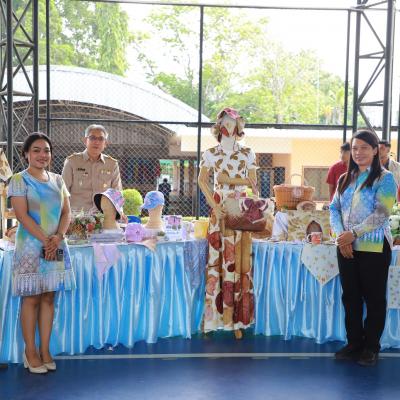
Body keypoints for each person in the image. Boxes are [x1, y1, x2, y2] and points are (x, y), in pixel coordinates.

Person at [8, 132, 76, 374]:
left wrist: (58, 238)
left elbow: (66, 213)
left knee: (49, 297)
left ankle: (45, 350)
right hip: (30, 246)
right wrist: (46, 240)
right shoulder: (18, 180)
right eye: (36, 150)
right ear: (26, 153)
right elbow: (22, 215)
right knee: (32, 298)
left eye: (46, 150)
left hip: (56, 245)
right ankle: (30, 352)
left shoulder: (58, 180)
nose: (42, 155)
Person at [330, 129, 396, 367]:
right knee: (350, 297)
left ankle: (371, 347)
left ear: (376, 150)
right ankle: (354, 343)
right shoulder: (344, 178)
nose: (358, 153)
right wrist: (342, 237)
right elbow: (333, 209)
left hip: (374, 247)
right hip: (346, 245)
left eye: (364, 148)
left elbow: (382, 213)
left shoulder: (385, 178)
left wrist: (353, 234)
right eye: (355, 148)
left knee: (374, 298)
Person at [198, 107, 257, 340]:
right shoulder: (211, 153)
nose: (228, 126)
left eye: (232, 123)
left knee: (238, 263)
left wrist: (232, 182)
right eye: (224, 122)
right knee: (216, 261)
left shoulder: (248, 153)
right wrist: (214, 206)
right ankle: (212, 319)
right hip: (220, 209)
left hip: (240, 208)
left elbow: (254, 184)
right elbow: (202, 181)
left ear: (239, 126)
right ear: (219, 125)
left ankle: (236, 320)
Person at [62, 124, 122, 212]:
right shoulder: (72, 161)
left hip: (103, 215)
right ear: (85, 140)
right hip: (77, 215)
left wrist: (119, 212)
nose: (96, 142)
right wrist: (65, 214)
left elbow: (116, 192)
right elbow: (63, 191)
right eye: (92, 138)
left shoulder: (112, 164)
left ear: (105, 143)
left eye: (101, 139)